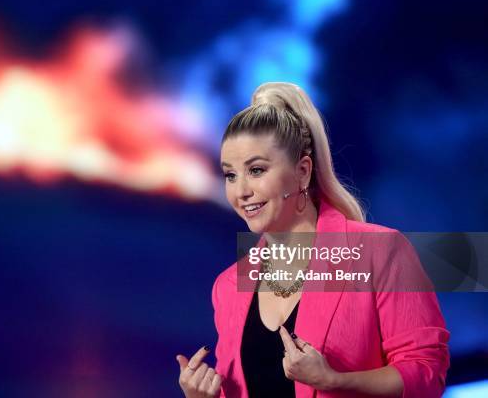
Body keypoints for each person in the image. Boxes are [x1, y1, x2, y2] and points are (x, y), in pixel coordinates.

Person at [176, 82, 450, 398]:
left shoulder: (382, 252)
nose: (241, 192)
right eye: (230, 175)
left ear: (303, 171)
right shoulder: (228, 287)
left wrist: (333, 380)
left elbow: (426, 373)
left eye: (256, 170)